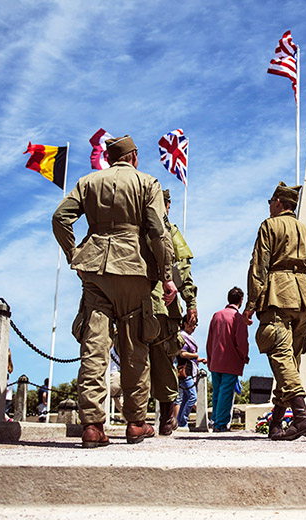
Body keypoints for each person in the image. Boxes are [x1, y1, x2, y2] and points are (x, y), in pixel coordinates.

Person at [52, 134, 176, 448]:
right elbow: (159, 233)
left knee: (94, 349)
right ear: (134, 156)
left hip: (95, 270)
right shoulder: (148, 183)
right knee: (135, 349)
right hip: (134, 268)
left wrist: (74, 256)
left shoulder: (88, 182)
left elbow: (60, 218)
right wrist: (167, 276)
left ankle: (92, 426)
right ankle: (135, 423)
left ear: (110, 158)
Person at [242, 182, 306, 441]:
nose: (268, 206)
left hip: (278, 295)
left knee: (280, 356)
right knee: (290, 364)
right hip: (305, 301)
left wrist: (251, 304)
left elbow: (259, 267)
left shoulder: (270, 225)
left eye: (270, 201)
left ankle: (301, 419)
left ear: (278, 202)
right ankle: (276, 423)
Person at [148, 189, 198, 436]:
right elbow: (182, 269)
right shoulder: (170, 230)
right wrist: (190, 303)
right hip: (164, 305)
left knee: (134, 359)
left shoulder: (137, 226)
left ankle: (135, 419)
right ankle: (167, 418)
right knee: (165, 360)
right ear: (167, 205)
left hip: (135, 302)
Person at [206, 287, 250, 433]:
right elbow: (241, 341)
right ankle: (221, 423)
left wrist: (210, 357)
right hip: (231, 360)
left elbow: (210, 339)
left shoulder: (216, 315)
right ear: (241, 300)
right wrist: (244, 356)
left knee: (217, 392)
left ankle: (216, 420)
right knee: (226, 392)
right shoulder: (239, 318)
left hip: (215, 359)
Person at [175, 315, 205, 429]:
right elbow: (182, 354)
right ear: (185, 324)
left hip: (188, 369)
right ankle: (182, 421)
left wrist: (199, 359)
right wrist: (195, 355)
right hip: (185, 371)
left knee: (187, 397)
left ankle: (180, 422)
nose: (194, 327)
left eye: (195, 325)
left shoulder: (186, 336)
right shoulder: (182, 336)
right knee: (192, 397)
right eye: (191, 324)